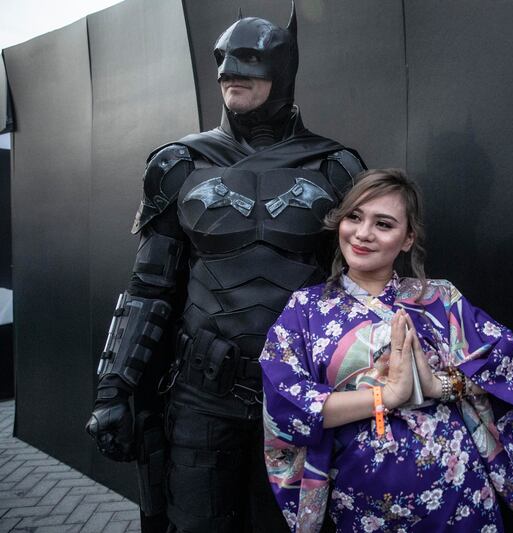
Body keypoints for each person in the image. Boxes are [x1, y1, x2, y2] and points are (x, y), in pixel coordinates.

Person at [85, 5, 365, 532]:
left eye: (249, 61)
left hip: (302, 391)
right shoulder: (178, 165)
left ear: (283, 68)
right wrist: (115, 389)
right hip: (202, 395)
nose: (229, 73)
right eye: (223, 61)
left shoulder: (336, 167)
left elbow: (360, 288)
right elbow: (150, 286)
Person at [260, 169, 513, 532]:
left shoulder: (439, 298)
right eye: (355, 217)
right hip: (363, 499)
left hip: (459, 492)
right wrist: (389, 395)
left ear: (407, 239)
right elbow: (284, 402)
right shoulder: (306, 310)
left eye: (383, 224)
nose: (363, 234)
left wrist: (438, 383)